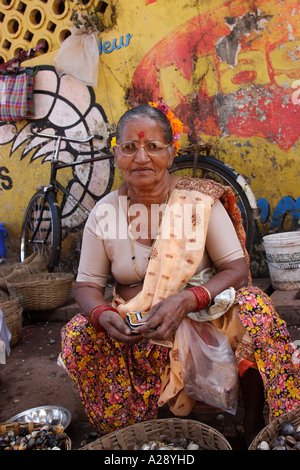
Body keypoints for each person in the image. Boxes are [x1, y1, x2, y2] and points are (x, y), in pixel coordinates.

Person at [60, 102, 300, 447]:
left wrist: (188, 300)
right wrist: (102, 314)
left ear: (171, 154)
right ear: (117, 156)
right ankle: (129, 436)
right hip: (135, 327)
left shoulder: (199, 201)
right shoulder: (105, 212)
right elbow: (86, 285)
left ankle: (254, 425)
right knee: (78, 334)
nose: (141, 157)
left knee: (256, 308)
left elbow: (237, 270)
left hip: (200, 317)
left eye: (153, 147)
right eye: (129, 147)